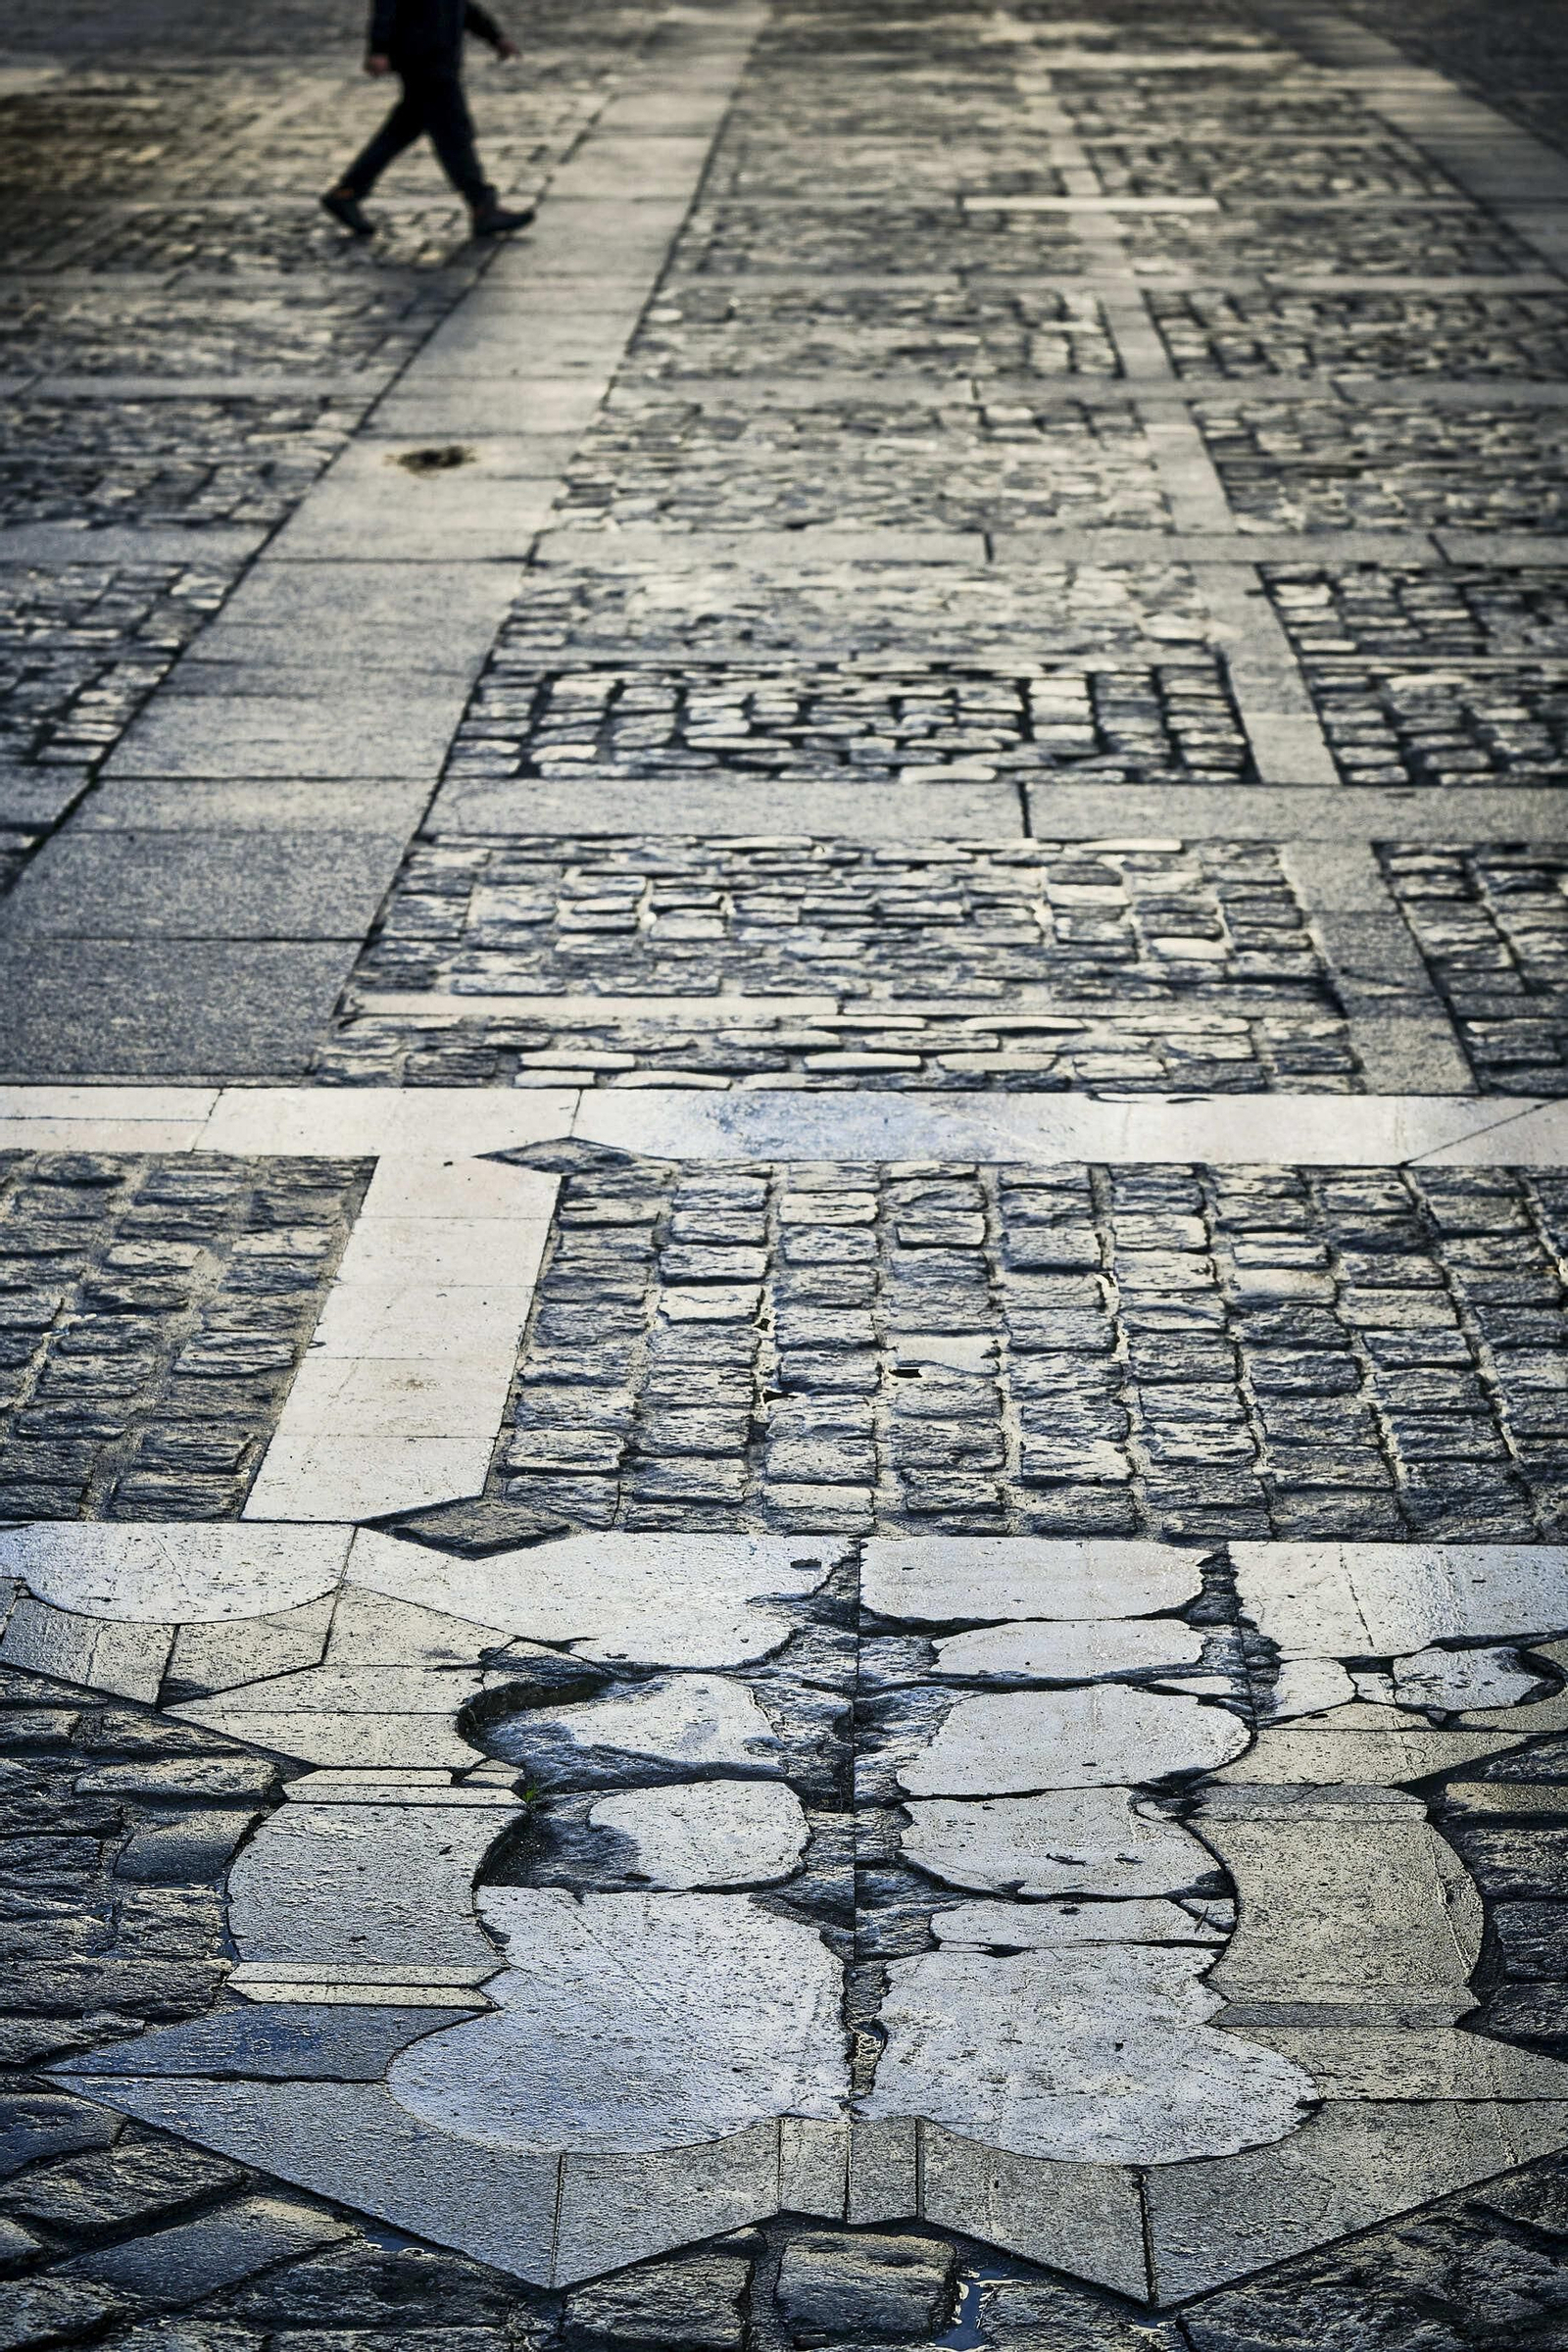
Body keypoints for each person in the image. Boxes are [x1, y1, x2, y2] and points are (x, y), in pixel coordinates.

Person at [322, 0, 534, 240]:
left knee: (401, 131)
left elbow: (460, 5)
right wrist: (378, 49)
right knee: (453, 134)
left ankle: (347, 192)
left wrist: (494, 36)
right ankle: (482, 206)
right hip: (422, 58)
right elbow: (386, 5)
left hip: (437, 56)